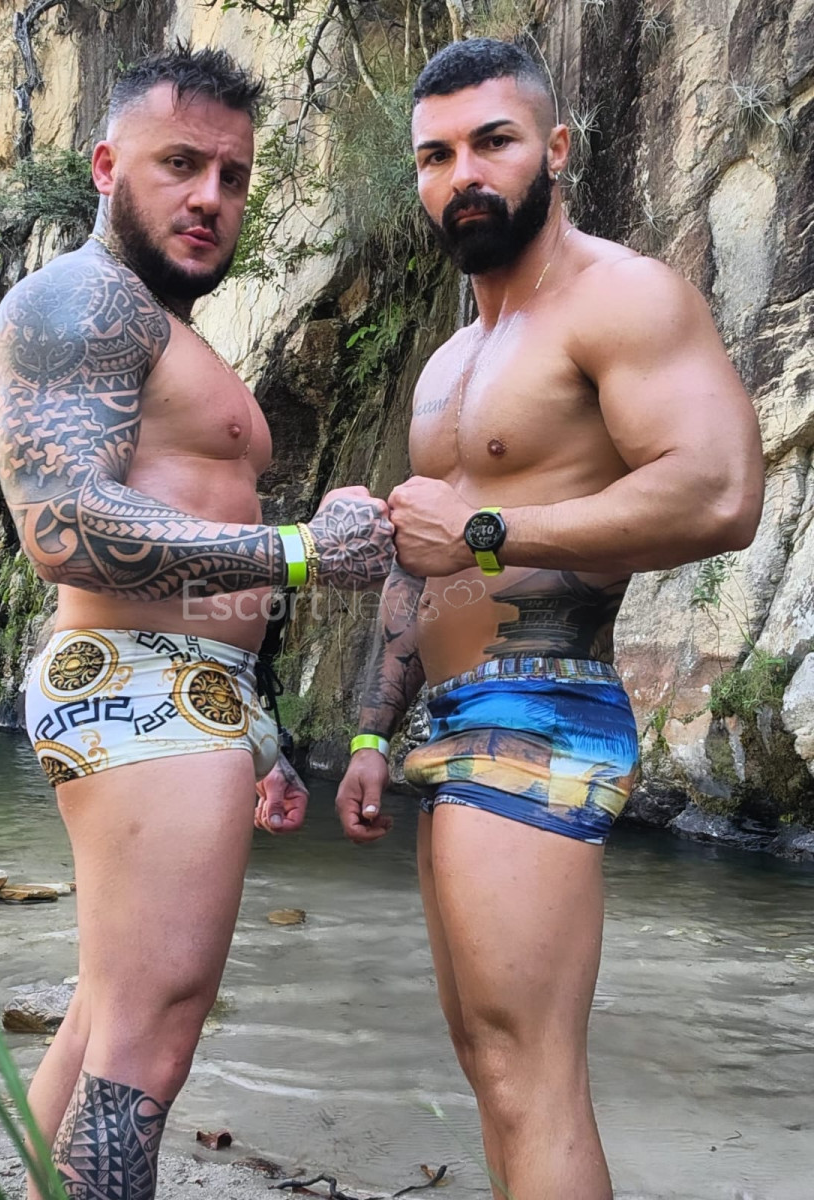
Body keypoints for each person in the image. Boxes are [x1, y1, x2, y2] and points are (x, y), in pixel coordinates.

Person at [335, 38, 764, 1200]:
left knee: (532, 1077)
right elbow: (418, 555)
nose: (463, 174)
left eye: (493, 142)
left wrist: (487, 530)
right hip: (449, 720)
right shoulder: (450, 362)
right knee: (492, 1069)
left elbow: (720, 493)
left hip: (543, 702)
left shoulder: (622, 299)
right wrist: (372, 730)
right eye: (436, 155)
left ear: (557, 149)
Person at [0, 44, 393, 1200]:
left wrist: (254, 729)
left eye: (234, 176)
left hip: (172, 691)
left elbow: (172, 535)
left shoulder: (161, 329)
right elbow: (62, 523)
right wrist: (302, 552)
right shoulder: (80, 300)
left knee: (105, 1024)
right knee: (146, 1049)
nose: (211, 196)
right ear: (107, 165)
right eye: (180, 164)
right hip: (136, 687)